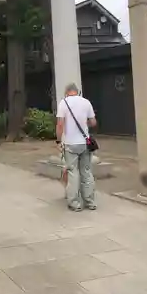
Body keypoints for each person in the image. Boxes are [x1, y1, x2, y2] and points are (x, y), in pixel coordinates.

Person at [56, 83, 97, 212]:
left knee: (73, 172)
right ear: (77, 91)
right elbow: (93, 122)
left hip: (70, 144)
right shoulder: (86, 102)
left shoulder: (64, 103)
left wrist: (58, 140)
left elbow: (60, 125)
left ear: (67, 92)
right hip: (85, 143)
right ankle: (90, 201)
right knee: (86, 171)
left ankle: (74, 203)